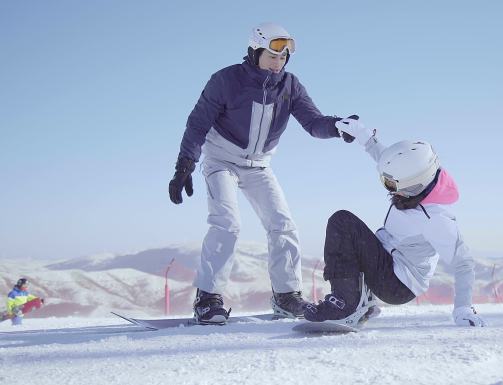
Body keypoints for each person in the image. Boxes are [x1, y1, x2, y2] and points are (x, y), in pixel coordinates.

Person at [169, 22, 356, 325]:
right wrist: (184, 164)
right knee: (227, 224)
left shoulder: (290, 86)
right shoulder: (226, 80)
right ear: (254, 51)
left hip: (259, 165)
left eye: (283, 58)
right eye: (271, 55)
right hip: (222, 160)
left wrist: (336, 127)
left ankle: (286, 297)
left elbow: (313, 122)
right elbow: (198, 123)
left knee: (283, 225)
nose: (277, 62)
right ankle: (207, 298)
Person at [303, 119, 486, 327]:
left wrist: (463, 308)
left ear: (414, 184)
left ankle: (345, 305)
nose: (388, 188)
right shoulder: (412, 183)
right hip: (390, 263)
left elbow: (463, 263)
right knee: (352, 237)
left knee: (342, 222)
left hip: (397, 284)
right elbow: (384, 158)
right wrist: (362, 135)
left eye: (390, 183)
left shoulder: (436, 219)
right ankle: (361, 301)